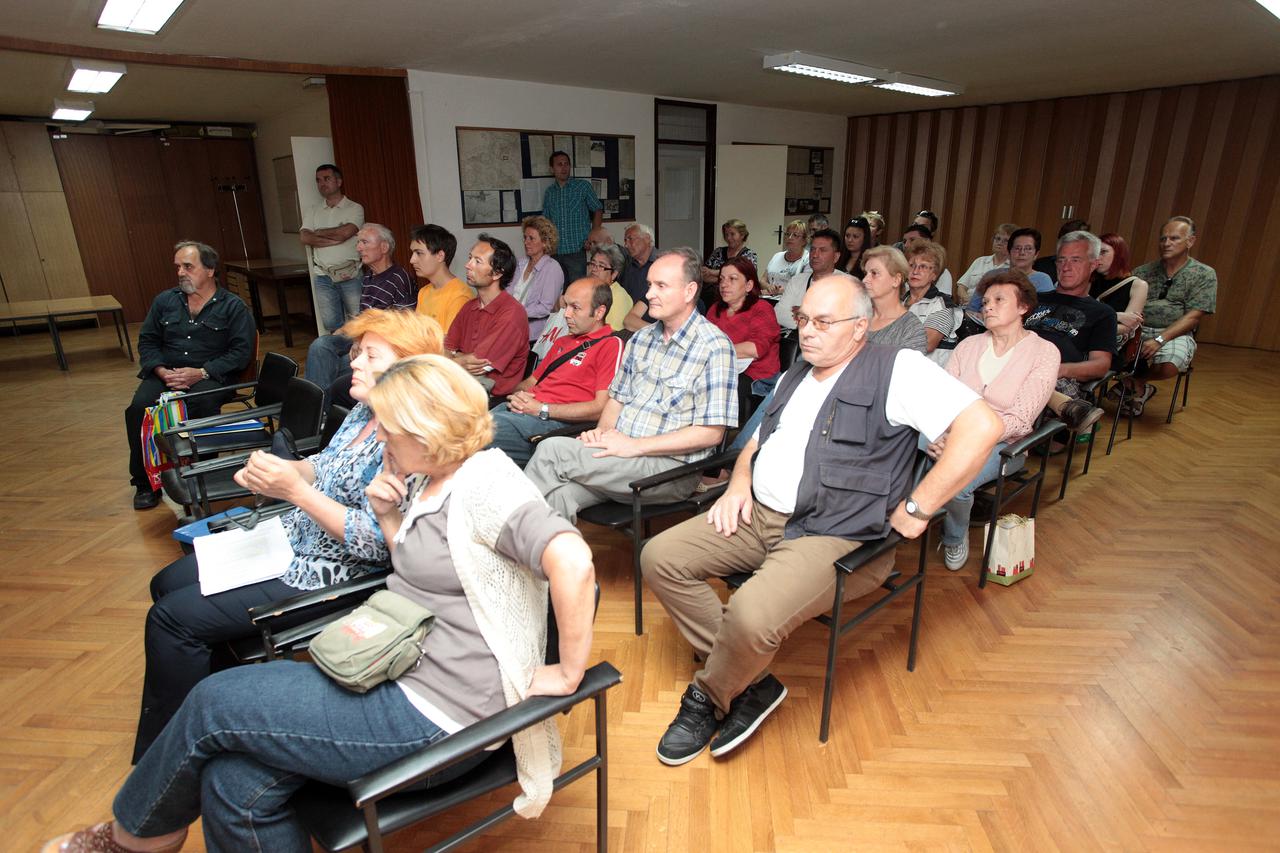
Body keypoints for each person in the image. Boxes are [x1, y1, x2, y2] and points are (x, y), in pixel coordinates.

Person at [47, 355, 596, 853]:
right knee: (234, 784)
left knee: (214, 700)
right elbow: (431, 575)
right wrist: (388, 517)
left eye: (386, 424)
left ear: (425, 431)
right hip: (397, 669)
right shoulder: (433, 476)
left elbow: (573, 562)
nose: (377, 432)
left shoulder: (486, 485)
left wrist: (567, 673)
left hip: (437, 716)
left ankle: (131, 841)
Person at [640, 275, 1003, 765]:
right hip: (760, 514)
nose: (807, 332)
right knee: (660, 557)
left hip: (834, 532)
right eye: (802, 319)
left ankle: (711, 695)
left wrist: (920, 508)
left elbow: (983, 426)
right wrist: (740, 482)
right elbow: (756, 439)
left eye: (823, 322)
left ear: (860, 327)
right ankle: (752, 679)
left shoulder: (897, 369)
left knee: (749, 613)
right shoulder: (799, 369)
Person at [131, 309, 444, 762]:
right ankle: (215, 699)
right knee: (165, 585)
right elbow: (324, 466)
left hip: (332, 572)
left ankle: (168, 753)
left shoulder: (413, 438)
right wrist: (284, 470)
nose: (353, 362)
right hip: (293, 539)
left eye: (370, 355)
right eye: (357, 351)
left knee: (171, 620)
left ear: (407, 368)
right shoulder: (365, 412)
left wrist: (295, 492)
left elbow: (379, 545)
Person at [524, 248, 737, 522]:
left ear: (689, 291)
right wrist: (599, 434)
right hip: (621, 456)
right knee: (559, 496)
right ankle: (554, 563)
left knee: (551, 450)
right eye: (650, 285)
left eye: (661, 285)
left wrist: (635, 446)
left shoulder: (714, 347)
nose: (649, 294)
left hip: (670, 469)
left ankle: (500, 551)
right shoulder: (641, 339)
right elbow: (616, 400)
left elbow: (710, 435)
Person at [931, 269, 1060, 570]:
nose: (987, 306)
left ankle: (953, 537)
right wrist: (941, 432)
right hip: (951, 432)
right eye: (986, 300)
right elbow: (943, 399)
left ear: (1023, 307)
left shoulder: (1044, 353)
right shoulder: (968, 346)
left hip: (1002, 445)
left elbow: (1020, 419)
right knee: (900, 438)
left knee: (956, 479)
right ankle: (892, 520)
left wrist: (963, 438)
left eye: (999, 300)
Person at [127, 241, 255, 510]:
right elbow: (147, 341)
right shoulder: (165, 301)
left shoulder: (233, 307)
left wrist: (201, 372)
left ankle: (204, 475)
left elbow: (241, 353)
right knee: (138, 408)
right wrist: (161, 371)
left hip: (210, 375)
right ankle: (145, 484)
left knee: (202, 404)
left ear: (209, 270)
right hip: (167, 373)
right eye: (178, 267)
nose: (181, 272)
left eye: (188, 266)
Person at [490, 279, 624, 466]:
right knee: (462, 422)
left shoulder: (610, 345)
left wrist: (541, 409)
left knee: (470, 435)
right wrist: (520, 396)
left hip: (554, 423)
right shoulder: (563, 342)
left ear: (599, 312)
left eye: (575, 308)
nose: (566, 314)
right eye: (566, 305)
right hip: (522, 411)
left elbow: (601, 408)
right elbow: (530, 382)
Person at [303, 223, 417, 399]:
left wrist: (361, 341)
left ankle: (317, 413)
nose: (358, 248)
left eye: (364, 242)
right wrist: (354, 335)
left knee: (329, 365)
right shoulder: (368, 277)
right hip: (361, 336)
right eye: (358, 243)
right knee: (321, 345)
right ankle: (318, 412)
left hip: (380, 344)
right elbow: (363, 317)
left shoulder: (400, 279)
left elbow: (400, 328)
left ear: (384, 247)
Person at [1125, 216, 1217, 415]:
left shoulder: (1203, 274)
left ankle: (1138, 382)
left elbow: (1194, 316)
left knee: (1169, 366)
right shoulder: (1143, 271)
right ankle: (1135, 387)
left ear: (1190, 241)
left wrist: (1159, 339)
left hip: (1174, 332)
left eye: (1174, 238)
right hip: (1137, 327)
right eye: (1163, 239)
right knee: (1105, 351)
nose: (1167, 243)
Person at [1024, 231, 1116, 423]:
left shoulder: (1102, 313)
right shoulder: (1035, 299)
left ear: (1093, 265)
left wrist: (1060, 369)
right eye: (1061, 260)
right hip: (1018, 362)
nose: (1066, 267)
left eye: (1075, 260)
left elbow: (1100, 365)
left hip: (1056, 377)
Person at [445, 235, 530, 397]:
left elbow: (479, 366)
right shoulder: (469, 306)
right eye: (470, 258)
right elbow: (446, 348)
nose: (467, 265)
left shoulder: (512, 313)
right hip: (461, 384)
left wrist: (454, 357)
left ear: (497, 273)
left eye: (478, 261)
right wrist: (460, 359)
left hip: (488, 396)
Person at [300, 163, 365, 332]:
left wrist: (319, 232)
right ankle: (338, 356)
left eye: (327, 179)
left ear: (339, 182)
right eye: (318, 180)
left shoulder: (354, 208)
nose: (322, 183)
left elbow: (346, 233)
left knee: (359, 321)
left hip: (350, 274)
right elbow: (304, 237)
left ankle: (357, 355)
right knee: (331, 324)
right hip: (323, 276)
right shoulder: (313, 210)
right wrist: (333, 237)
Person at [706, 256, 781, 390]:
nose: (724, 284)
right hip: (723, 368)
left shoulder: (762, 308)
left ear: (748, 285)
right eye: (721, 279)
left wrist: (715, 351)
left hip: (757, 376)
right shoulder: (715, 309)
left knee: (720, 389)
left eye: (732, 279)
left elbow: (756, 349)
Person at [542, 149, 602, 283]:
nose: (564, 168)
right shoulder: (550, 193)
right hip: (555, 252)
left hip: (576, 250)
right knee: (557, 290)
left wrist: (592, 237)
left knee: (576, 290)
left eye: (566, 164)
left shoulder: (582, 187)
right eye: (559, 164)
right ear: (552, 169)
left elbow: (597, 209)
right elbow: (546, 222)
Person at [774, 228, 848, 329]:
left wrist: (803, 315)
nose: (815, 255)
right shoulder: (797, 281)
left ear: (836, 257)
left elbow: (839, 324)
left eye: (822, 250)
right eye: (812, 249)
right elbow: (779, 314)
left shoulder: (848, 285)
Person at [965, 227, 1053, 309]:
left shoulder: (1043, 280)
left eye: (1028, 248)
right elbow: (972, 309)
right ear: (1009, 251)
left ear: (1036, 254)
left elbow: (1044, 314)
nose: (1022, 252)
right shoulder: (991, 275)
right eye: (1017, 248)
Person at [861, 245, 928, 352]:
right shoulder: (856, 317)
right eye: (865, 273)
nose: (865, 280)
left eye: (874, 273)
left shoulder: (911, 328)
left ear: (896, 280)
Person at [411, 223, 475, 335]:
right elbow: (415, 333)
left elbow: (449, 346)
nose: (412, 260)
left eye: (419, 253)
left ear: (440, 256)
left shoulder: (459, 295)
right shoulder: (423, 292)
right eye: (412, 253)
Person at [1090, 232, 1148, 351]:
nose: (1097, 257)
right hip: (1082, 340)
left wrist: (1089, 325)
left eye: (1103, 252)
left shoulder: (1138, 285)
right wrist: (1117, 316)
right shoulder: (1088, 279)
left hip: (1111, 347)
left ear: (1119, 254)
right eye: (1095, 253)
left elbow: (1127, 327)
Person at [511, 215, 566, 343]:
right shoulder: (520, 264)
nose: (526, 242)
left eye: (531, 238)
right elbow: (508, 293)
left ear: (545, 242)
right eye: (525, 238)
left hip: (534, 336)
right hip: (512, 328)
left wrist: (515, 312)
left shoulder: (552, 268)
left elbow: (545, 307)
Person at [904, 241, 958, 358]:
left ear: (935, 274)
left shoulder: (942, 305)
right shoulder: (898, 301)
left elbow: (926, 344)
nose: (915, 271)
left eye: (923, 266)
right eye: (911, 265)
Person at [956, 222, 1017, 304]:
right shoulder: (980, 261)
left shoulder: (1013, 268)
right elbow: (961, 286)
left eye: (1006, 241)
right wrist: (966, 298)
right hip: (966, 306)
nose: (1000, 243)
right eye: (997, 239)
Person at [620, 223, 658, 332]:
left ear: (647, 239)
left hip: (654, 327)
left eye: (630, 239)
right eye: (625, 241)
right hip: (628, 325)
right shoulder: (627, 266)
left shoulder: (662, 263)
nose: (626, 245)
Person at [587, 243, 634, 330]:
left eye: (601, 266)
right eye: (593, 264)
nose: (593, 269)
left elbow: (611, 333)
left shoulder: (619, 296)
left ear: (614, 274)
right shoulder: (587, 289)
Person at [899, 223, 955, 295]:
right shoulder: (901, 266)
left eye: (912, 240)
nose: (906, 245)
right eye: (904, 241)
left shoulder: (943, 273)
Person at [701, 218, 758, 286]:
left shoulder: (749, 255)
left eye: (732, 234)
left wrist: (713, 273)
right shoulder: (718, 252)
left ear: (742, 235)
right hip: (711, 294)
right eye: (726, 234)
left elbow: (744, 277)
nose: (728, 238)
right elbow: (705, 275)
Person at [764, 220, 810, 295]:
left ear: (804, 240)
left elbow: (806, 287)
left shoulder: (808, 260)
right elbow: (763, 280)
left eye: (795, 235)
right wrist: (769, 287)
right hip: (771, 298)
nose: (790, 237)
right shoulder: (777, 256)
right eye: (787, 234)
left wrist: (783, 291)